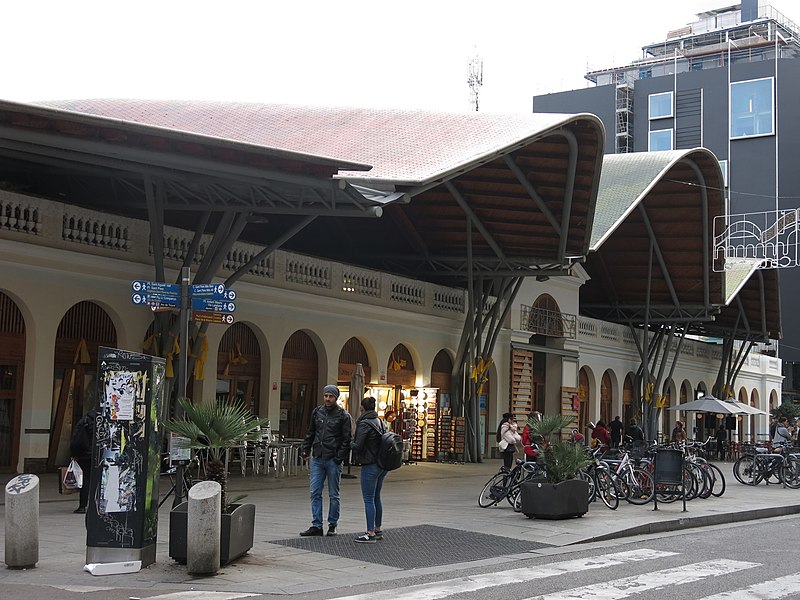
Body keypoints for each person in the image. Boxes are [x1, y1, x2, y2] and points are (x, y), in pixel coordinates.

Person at [300, 384, 352, 537]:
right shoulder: (317, 412)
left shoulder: (343, 415)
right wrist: (306, 449)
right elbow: (310, 432)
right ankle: (316, 525)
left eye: (331, 396)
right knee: (314, 492)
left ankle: (332, 524)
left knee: (333, 494)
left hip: (332, 460)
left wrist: (338, 458)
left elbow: (347, 439)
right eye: (326, 396)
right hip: (317, 457)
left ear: (336, 397)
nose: (328, 399)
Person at [350, 396, 387, 543]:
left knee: (368, 499)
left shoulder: (364, 424)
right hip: (382, 465)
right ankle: (378, 529)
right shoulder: (380, 422)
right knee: (376, 497)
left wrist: (348, 443)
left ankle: (370, 533)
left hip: (370, 465)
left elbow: (358, 446)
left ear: (361, 408)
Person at [69, 410, 95, 514]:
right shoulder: (102, 421)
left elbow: (76, 438)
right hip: (98, 455)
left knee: (85, 479)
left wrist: (74, 454)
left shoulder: (84, 421)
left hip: (84, 454)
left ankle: (82, 505)